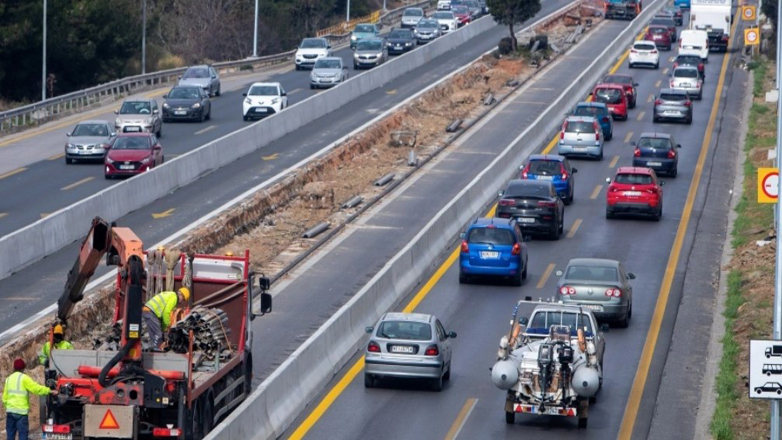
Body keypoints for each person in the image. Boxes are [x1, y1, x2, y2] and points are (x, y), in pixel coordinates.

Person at [3, 359, 56, 440]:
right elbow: (36, 388)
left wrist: (9, 406)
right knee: (23, 436)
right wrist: (49, 390)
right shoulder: (24, 378)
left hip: (10, 412)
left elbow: (4, 398)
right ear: (23, 368)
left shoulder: (8, 379)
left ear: (14, 367)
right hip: (21, 413)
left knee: (10, 436)